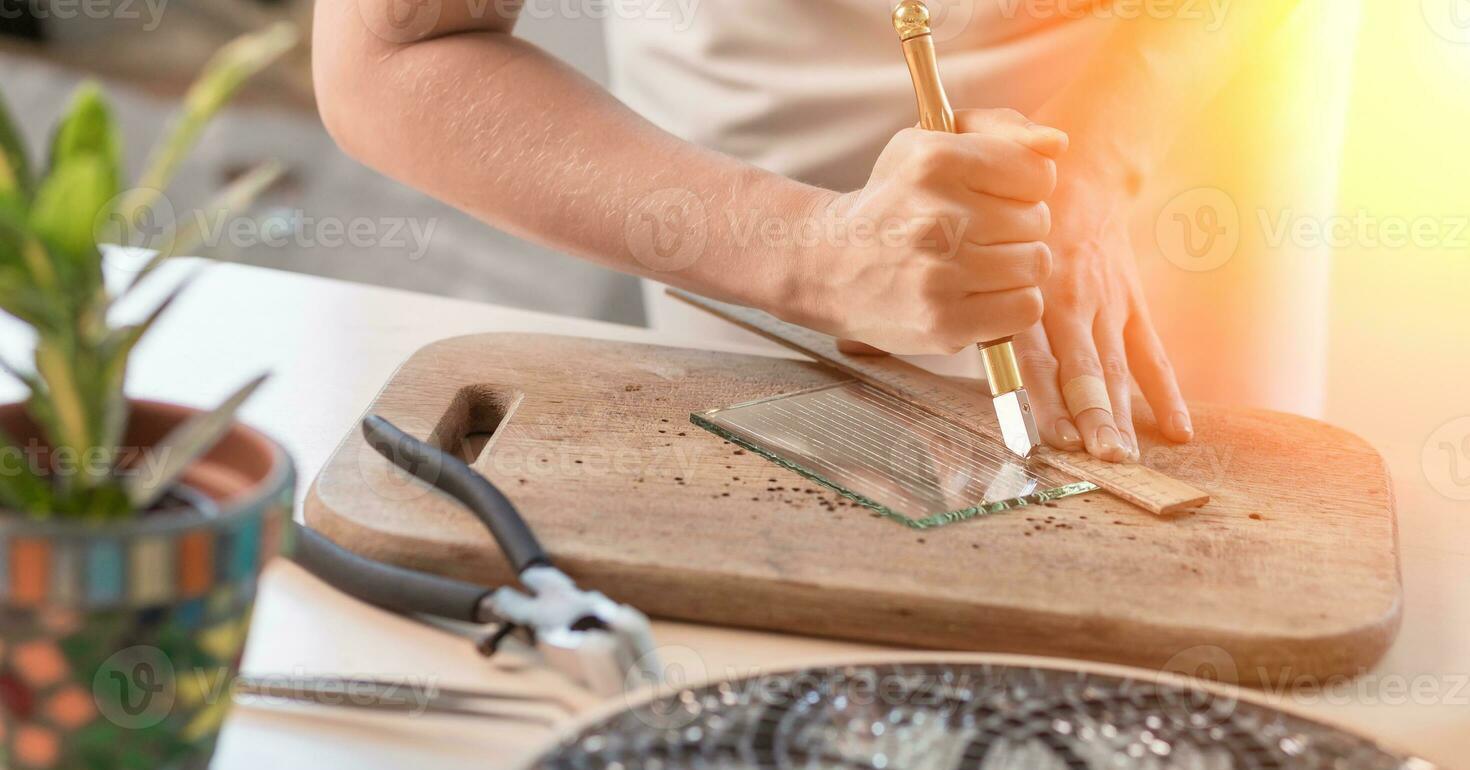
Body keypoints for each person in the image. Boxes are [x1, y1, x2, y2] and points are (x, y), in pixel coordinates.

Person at [314, 0, 1360, 462]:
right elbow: (389, 58)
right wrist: (810, 252)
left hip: (1183, 95)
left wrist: (1094, 166)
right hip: (753, 149)